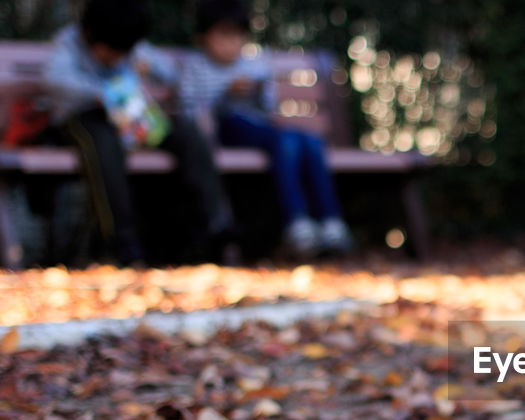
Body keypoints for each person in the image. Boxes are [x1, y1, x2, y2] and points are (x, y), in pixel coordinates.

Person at [43, 0, 234, 265]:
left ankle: (217, 228)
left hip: (133, 117)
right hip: (84, 118)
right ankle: (120, 242)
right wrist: (99, 93)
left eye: (125, 52)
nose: (119, 58)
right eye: (111, 52)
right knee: (104, 145)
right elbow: (55, 80)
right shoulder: (68, 42)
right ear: (88, 35)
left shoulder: (130, 43)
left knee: (185, 133)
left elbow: (171, 73)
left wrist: (148, 69)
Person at [182, 0, 354, 258]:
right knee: (286, 140)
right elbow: (190, 113)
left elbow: (268, 108)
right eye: (223, 35)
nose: (231, 44)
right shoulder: (194, 67)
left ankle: (330, 221)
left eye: (237, 36)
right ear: (203, 37)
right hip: (225, 128)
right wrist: (225, 95)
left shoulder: (253, 64)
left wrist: (258, 90)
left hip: (260, 128)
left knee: (310, 140)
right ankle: (296, 221)